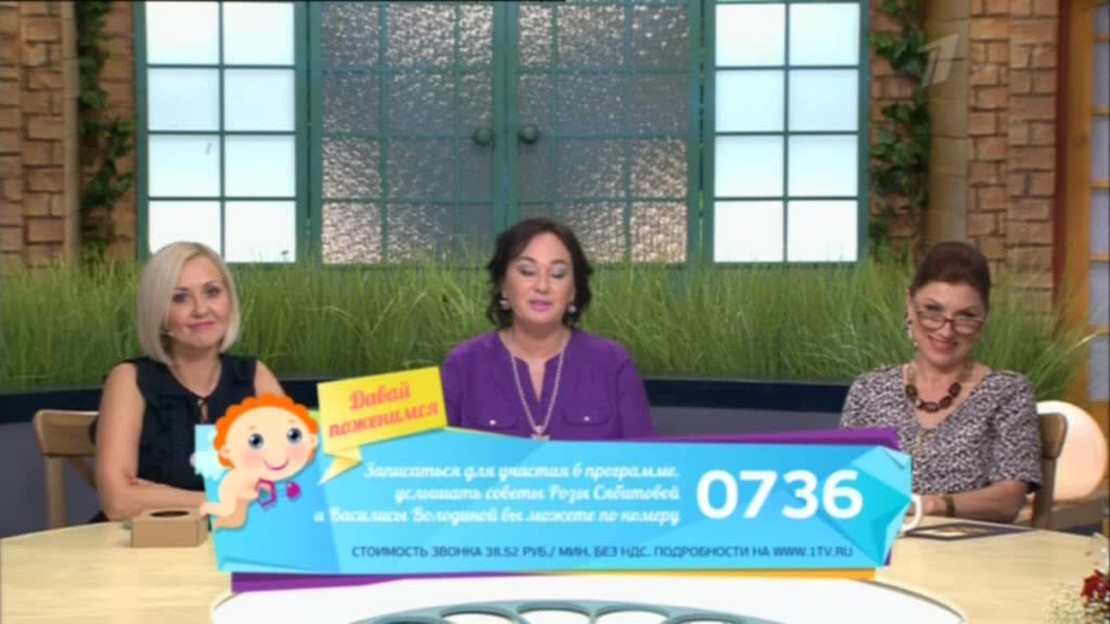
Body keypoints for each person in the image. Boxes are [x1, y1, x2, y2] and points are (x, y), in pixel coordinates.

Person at [840, 241, 1041, 524]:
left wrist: (934, 505)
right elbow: (845, 481)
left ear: (984, 320)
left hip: (971, 547)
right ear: (910, 305)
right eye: (933, 311)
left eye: (966, 317)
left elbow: (1009, 499)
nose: (946, 331)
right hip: (880, 542)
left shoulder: (1007, 392)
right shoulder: (869, 389)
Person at [92, 242, 284, 521]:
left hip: (236, 540)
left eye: (212, 292)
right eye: (180, 298)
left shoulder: (254, 376)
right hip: (146, 544)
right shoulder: (129, 380)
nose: (201, 309)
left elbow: (292, 486)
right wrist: (228, 499)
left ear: (230, 301)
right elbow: (118, 503)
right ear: (158, 311)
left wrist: (158, 495)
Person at [441, 217, 656, 440]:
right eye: (527, 271)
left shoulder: (612, 363)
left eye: (558, 274)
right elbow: (434, 457)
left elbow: (645, 456)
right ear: (503, 285)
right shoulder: (462, 366)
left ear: (573, 290)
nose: (542, 286)